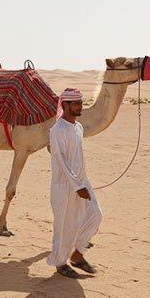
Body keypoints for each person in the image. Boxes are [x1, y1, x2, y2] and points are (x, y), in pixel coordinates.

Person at [47, 88, 103, 278]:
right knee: (64, 226)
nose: (80, 106)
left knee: (95, 215)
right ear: (65, 105)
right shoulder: (57, 130)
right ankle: (61, 263)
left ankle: (77, 253)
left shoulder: (78, 128)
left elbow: (77, 159)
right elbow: (62, 162)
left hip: (81, 183)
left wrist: (82, 183)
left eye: (81, 102)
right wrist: (77, 186)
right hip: (63, 187)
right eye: (76, 103)